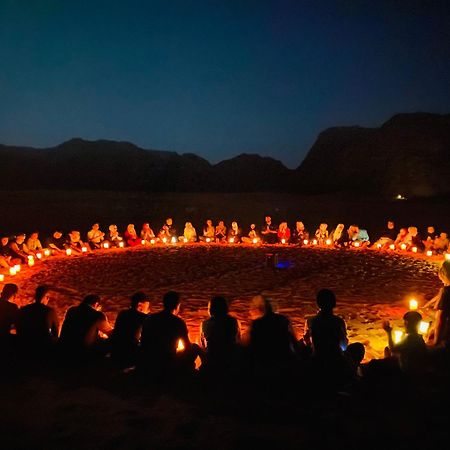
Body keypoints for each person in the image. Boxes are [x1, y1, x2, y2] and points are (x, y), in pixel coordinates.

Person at [139, 291, 199, 378]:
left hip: (149, 360)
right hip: (167, 362)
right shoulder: (178, 322)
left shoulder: (150, 318)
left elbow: (143, 342)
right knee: (195, 347)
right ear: (177, 306)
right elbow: (187, 347)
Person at [248, 295, 297, 372]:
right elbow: (293, 339)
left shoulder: (257, 324)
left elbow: (252, 344)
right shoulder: (283, 320)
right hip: (283, 359)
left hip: (264, 363)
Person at [59, 294, 113, 361]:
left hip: (66, 348)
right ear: (96, 304)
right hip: (84, 352)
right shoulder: (97, 315)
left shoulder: (71, 310)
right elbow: (110, 333)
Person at [200, 296, 241, 374]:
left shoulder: (204, 324)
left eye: (208, 308)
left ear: (211, 310)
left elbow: (203, 345)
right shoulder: (234, 322)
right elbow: (238, 340)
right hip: (230, 359)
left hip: (212, 359)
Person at [303, 289, 348, 360]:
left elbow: (307, 341)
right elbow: (344, 346)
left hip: (317, 358)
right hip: (336, 359)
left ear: (318, 303)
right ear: (334, 303)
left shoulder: (310, 321)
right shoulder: (338, 322)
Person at [16, 285, 59, 357]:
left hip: (24, 343)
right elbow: (55, 332)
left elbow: (18, 326)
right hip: (42, 345)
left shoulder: (24, 309)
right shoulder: (49, 311)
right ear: (47, 297)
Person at [111, 292, 150, 368]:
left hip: (115, 351)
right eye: (147, 307)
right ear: (139, 305)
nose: (148, 309)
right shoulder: (143, 317)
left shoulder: (122, 313)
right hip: (129, 354)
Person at [424, 261, 450, 348]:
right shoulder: (445, 290)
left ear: (443, 274)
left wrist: (436, 340)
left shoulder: (446, 292)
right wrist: (428, 304)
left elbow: (440, 319)